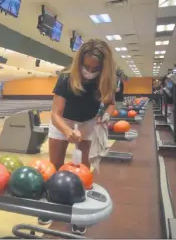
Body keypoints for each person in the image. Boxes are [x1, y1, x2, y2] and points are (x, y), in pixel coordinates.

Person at [38, 39, 116, 235]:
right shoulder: (66, 78)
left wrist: (106, 115)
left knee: (83, 170)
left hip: (88, 122)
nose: (89, 70)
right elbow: (55, 113)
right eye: (86, 66)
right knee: (54, 167)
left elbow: (111, 103)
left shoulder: (107, 80)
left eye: (94, 67)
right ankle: (49, 208)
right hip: (62, 121)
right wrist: (67, 131)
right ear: (80, 61)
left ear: (103, 67)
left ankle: (79, 215)